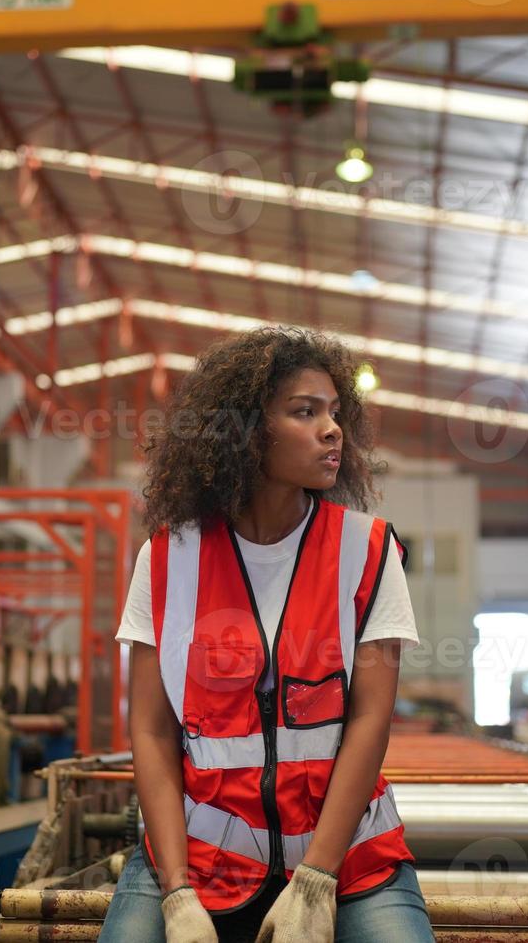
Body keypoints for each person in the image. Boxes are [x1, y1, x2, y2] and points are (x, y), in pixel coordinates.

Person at [102, 328, 436, 943]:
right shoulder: (166, 560)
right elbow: (151, 728)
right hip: (198, 857)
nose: (332, 428)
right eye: (305, 412)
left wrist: (316, 879)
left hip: (352, 860)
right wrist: (175, 892)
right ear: (245, 431)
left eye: (335, 412)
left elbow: (370, 721)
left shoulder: (368, 550)